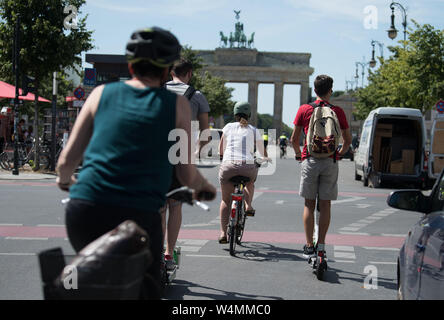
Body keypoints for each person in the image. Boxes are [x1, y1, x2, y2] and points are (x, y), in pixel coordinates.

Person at [55, 27, 216, 299]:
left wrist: (65, 181)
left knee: (91, 278)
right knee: (146, 288)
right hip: (138, 214)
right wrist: (204, 187)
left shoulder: (100, 94)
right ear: (167, 71)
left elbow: (68, 160)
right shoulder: (175, 105)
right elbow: (185, 170)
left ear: (130, 65)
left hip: (86, 209)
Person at [290, 75, 351, 259]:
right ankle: (322, 245)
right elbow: (347, 141)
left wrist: (298, 154)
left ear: (314, 91)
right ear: (330, 90)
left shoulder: (305, 109)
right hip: (330, 161)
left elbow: (294, 139)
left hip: (310, 159)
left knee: (309, 204)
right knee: (325, 204)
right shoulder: (337, 111)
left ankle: (309, 245)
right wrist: (338, 154)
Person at [162, 58, 211, 270]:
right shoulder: (196, 96)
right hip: (180, 154)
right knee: (175, 205)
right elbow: (205, 133)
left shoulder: (155, 91)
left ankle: (154, 253)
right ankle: (168, 255)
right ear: (189, 74)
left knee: (158, 208)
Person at [217, 101, 268, 243]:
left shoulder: (228, 127)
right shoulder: (253, 130)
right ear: (249, 115)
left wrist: (223, 159)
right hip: (247, 166)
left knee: (225, 200)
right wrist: (264, 158)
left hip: (229, 166)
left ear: (234, 114)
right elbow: (262, 152)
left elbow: (221, 149)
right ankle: (248, 205)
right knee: (250, 182)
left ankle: (222, 233)